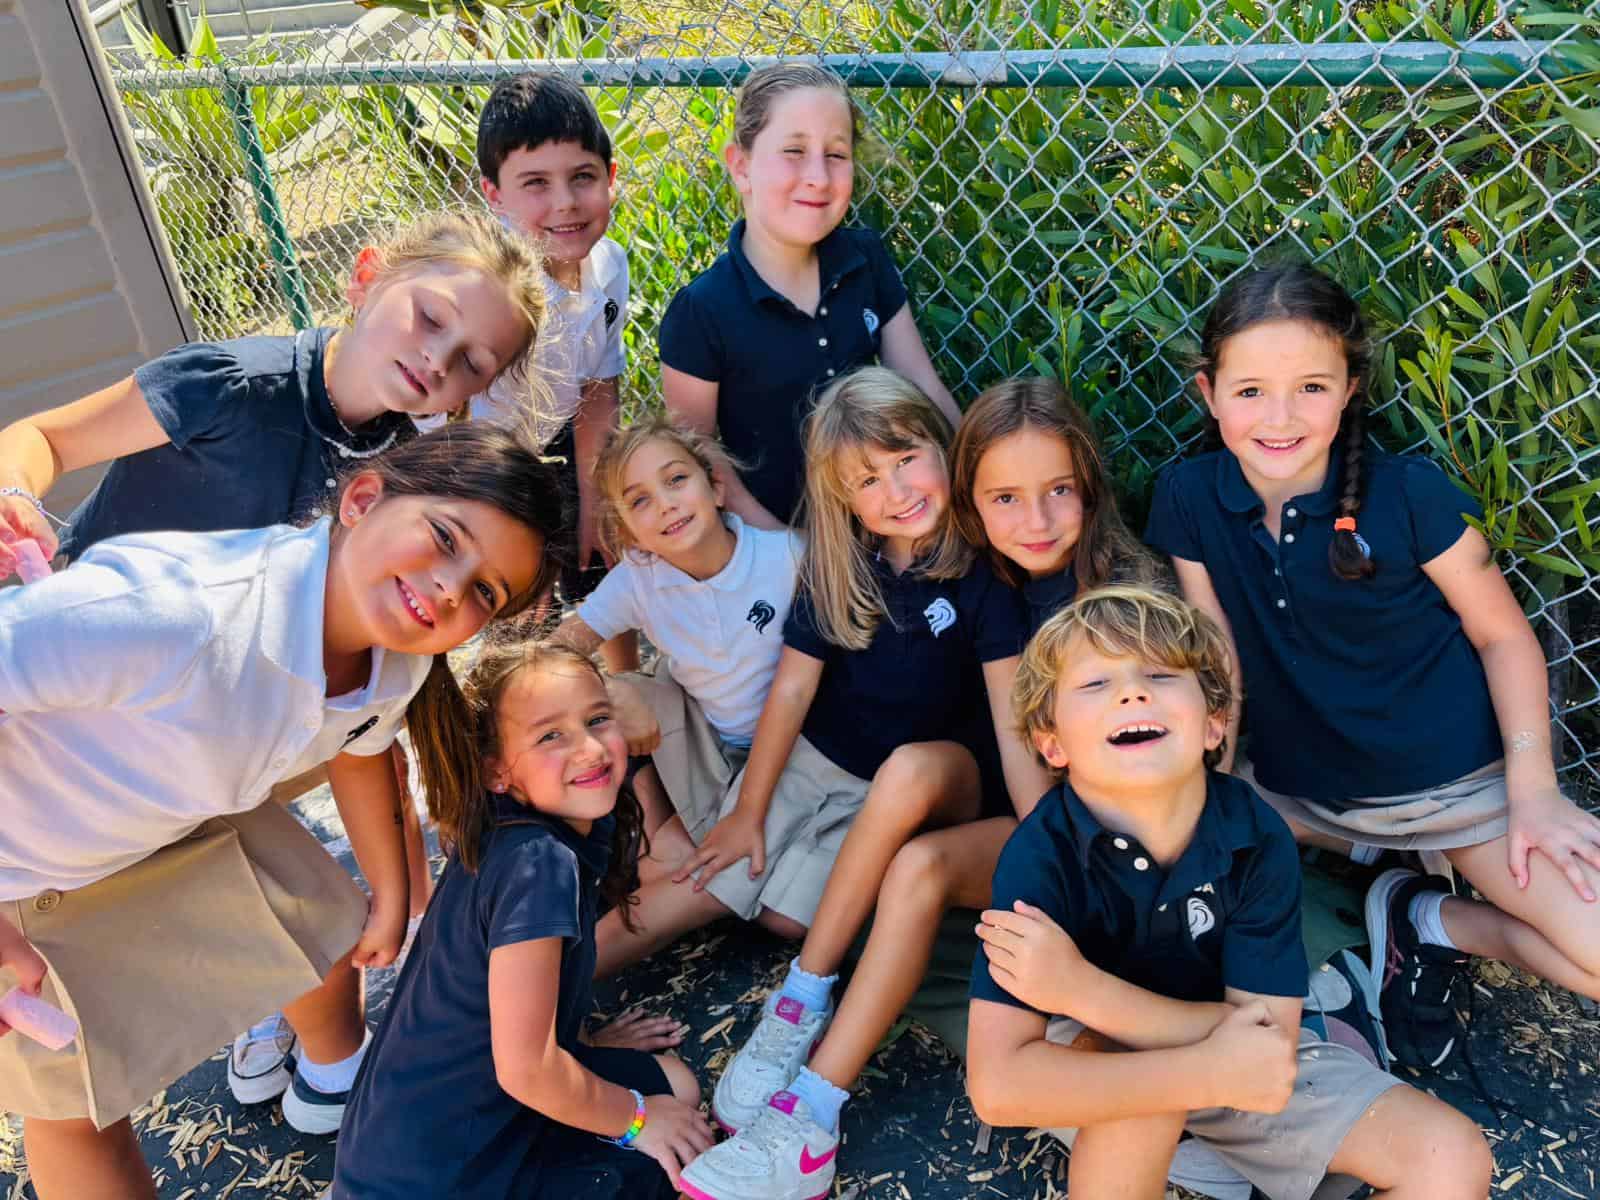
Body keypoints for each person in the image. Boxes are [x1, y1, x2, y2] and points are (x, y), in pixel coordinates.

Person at [0, 208, 547, 1122]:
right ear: (366, 275)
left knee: (295, 903)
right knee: (78, 1078)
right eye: (429, 319)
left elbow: (370, 730)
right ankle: (271, 1027)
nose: (439, 361)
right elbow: (47, 438)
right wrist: (15, 499)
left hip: (228, 725)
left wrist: (395, 885)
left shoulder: (411, 485)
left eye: (472, 364)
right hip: (94, 684)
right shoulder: (233, 385)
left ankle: (316, 1053)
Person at [0, 424, 564, 1199]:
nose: (448, 588)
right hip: (20, 863)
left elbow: (361, 742)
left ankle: (330, 1077)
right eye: (443, 537)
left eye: (484, 593)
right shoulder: (171, 610)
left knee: (315, 907)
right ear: (363, 499)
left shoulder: (395, 657)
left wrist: (391, 892)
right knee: (72, 1098)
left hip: (151, 817)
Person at [677, 377, 1150, 1200]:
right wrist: (749, 809)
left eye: (907, 460)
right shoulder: (906, 566)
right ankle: (805, 1024)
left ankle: (809, 1088)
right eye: (1006, 496)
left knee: (912, 801)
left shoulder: (1045, 581)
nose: (1030, 518)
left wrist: (1062, 866)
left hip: (1078, 814)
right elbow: (1000, 731)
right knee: (909, 819)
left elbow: (1030, 730)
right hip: (974, 793)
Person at [1144, 263, 1600, 1069]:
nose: (1279, 418)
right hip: (1301, 793)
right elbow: (1217, 659)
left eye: (1310, 387)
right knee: (1151, 874)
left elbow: (1502, 636)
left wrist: (1534, 792)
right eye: (1249, 392)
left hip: (1459, 796)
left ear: (1351, 386)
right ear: (1209, 392)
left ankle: (1428, 919)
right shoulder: (1186, 496)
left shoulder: (1410, 495)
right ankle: (1378, 877)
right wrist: (1207, 784)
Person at [967, 586, 1492, 1200]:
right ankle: (1194, 1140)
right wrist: (1205, 1065)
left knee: (1450, 1157)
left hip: (1237, 1051)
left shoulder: (1254, 834)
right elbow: (999, 1086)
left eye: (1160, 675)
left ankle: (1208, 1143)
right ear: (1050, 742)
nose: (1133, 693)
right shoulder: (1040, 854)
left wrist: (1078, 987)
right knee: (1146, 1092)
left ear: (1215, 722)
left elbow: (1272, 1048)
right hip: (1127, 1053)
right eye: (1094, 685)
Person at [594, 368, 1029, 986]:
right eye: (869, 480)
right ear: (844, 497)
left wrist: (1041, 835)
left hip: (906, 790)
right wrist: (749, 810)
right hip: (809, 759)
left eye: (907, 458)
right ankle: (534, 993)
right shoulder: (839, 566)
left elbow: (1010, 725)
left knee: (780, 919)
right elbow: (793, 690)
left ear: (942, 445)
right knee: (702, 889)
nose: (898, 490)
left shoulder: (985, 575)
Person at [332, 643, 713, 1198]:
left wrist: (575, 1038)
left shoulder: (523, 825)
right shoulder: (539, 866)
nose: (588, 748)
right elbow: (527, 1071)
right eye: (550, 735)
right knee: (669, 1144)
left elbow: (509, 998)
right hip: (446, 1177)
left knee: (675, 1086)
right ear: (496, 770)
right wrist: (635, 1120)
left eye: (597, 719)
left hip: (416, 1138)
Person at [659, 63, 957, 529]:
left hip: (892, 522)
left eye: (836, 154)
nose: (818, 176)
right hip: (780, 544)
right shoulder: (700, 311)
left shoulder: (866, 258)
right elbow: (699, 460)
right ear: (741, 166)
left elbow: (921, 381)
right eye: (794, 151)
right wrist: (787, 554)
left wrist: (974, 484)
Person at [425, 72, 633, 668]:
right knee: (511, 609)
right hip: (466, 469)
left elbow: (597, 386)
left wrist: (597, 500)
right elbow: (458, 426)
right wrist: (517, 532)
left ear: (611, 179)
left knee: (604, 558)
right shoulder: (495, 290)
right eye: (535, 184)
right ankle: (505, 710)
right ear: (494, 195)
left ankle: (624, 691)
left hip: (552, 440)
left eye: (583, 178)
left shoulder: (608, 265)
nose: (565, 202)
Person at [553, 414, 804, 878]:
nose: (666, 505)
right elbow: (557, 651)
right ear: (628, 533)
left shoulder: (786, 557)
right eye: (640, 501)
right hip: (708, 746)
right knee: (611, 697)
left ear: (717, 489)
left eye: (676, 480)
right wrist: (611, 689)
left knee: (756, 880)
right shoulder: (638, 576)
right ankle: (646, 840)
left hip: (800, 748)